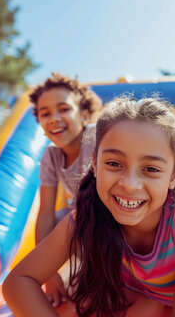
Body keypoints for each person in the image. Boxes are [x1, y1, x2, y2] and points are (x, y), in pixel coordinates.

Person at [3, 96, 175, 317]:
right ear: (95, 162)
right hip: (138, 289)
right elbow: (18, 281)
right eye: (114, 163)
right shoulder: (87, 216)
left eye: (151, 169)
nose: (130, 184)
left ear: (173, 175)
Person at [28, 72, 102, 306]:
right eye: (45, 113)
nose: (54, 118)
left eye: (64, 109)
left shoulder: (95, 139)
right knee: (59, 219)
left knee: (75, 219)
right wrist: (48, 274)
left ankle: (104, 277)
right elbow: (46, 213)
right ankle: (82, 276)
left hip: (109, 223)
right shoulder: (51, 156)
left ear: (84, 114)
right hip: (82, 227)